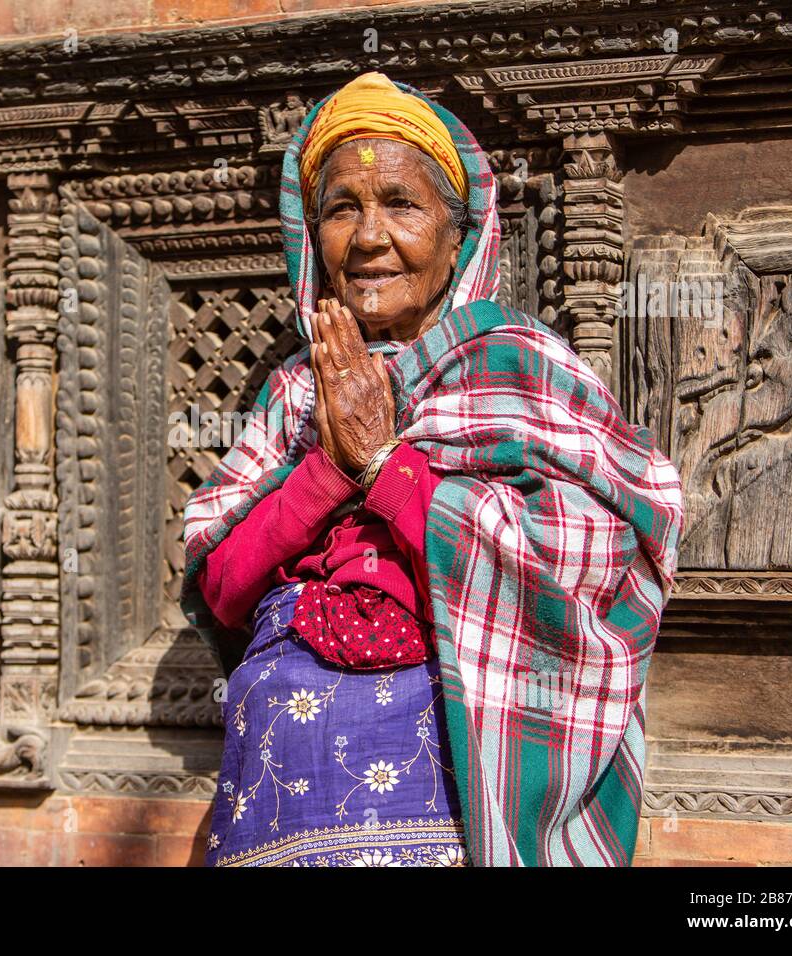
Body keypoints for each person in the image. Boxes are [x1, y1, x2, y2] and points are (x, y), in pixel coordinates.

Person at [180, 71, 684, 867]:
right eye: (342, 208)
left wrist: (387, 466)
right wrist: (330, 469)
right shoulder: (293, 394)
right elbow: (224, 585)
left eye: (401, 204)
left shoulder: (520, 368)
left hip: (445, 787)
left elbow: (577, 578)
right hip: (278, 787)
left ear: (460, 240)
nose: (369, 236)